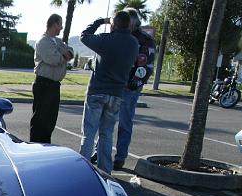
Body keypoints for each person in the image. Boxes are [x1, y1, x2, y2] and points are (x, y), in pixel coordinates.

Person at [78, 11, 138, 174]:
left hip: (97, 91)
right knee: (106, 134)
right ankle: (105, 171)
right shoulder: (134, 43)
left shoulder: (106, 40)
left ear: (114, 24)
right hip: (117, 93)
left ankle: (84, 169)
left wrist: (99, 21)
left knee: (89, 132)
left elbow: (84, 35)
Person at [111, 8, 156, 170]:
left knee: (124, 122)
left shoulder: (145, 40)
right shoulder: (117, 35)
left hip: (129, 88)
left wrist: (133, 83)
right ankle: (99, 152)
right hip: (113, 85)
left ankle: (120, 157)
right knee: (106, 122)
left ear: (134, 21)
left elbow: (146, 66)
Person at [30, 14, 74, 143]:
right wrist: (64, 55)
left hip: (54, 85)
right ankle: (35, 146)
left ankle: (45, 144)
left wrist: (65, 53)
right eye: (60, 24)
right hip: (44, 84)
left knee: (50, 120)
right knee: (40, 120)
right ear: (54, 24)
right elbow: (54, 59)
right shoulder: (43, 41)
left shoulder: (57, 41)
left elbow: (70, 51)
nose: (61, 28)